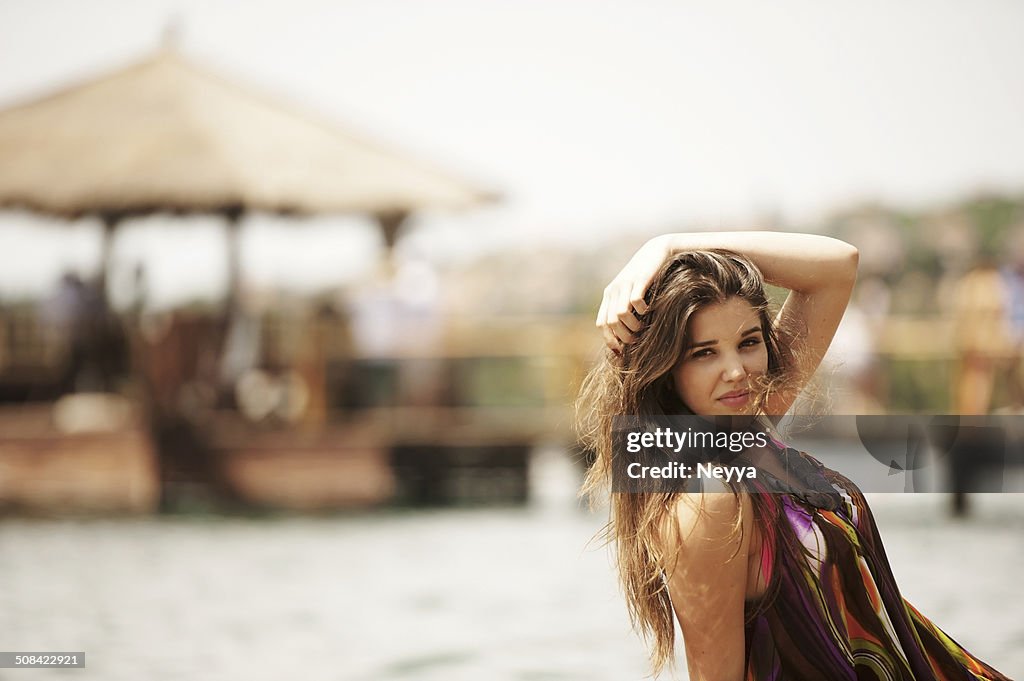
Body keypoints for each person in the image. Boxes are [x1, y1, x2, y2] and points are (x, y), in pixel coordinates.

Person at [577, 232, 1011, 680]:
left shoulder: (749, 433)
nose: (737, 371)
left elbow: (838, 265)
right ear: (665, 370)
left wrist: (669, 245)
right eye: (704, 353)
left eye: (748, 342)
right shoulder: (707, 498)